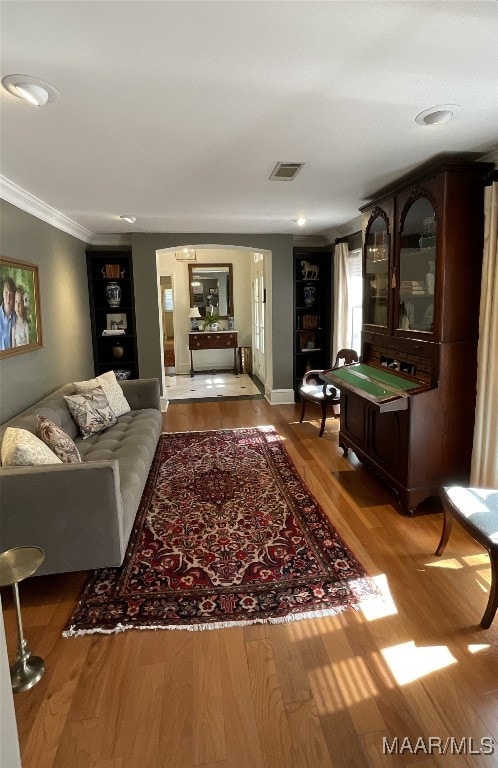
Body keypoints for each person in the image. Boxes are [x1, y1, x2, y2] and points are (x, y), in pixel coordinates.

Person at [0, 276, 17, 350]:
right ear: (3, 294)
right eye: (6, 293)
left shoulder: (16, 317)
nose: (8, 298)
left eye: (11, 294)